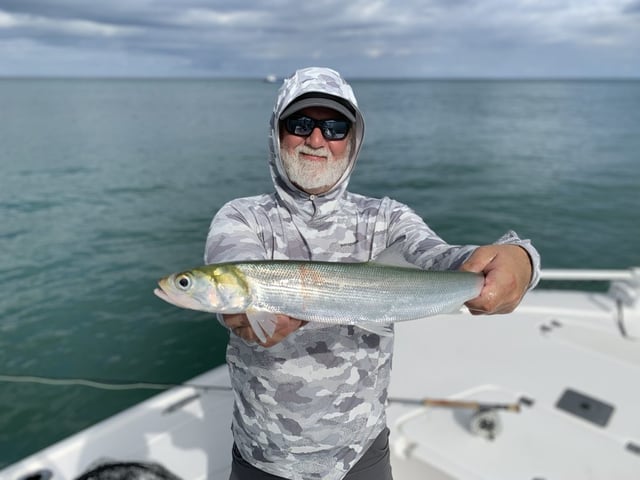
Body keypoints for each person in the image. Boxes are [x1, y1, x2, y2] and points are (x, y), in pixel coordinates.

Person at [204, 67, 540, 480]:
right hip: (264, 459)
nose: (316, 139)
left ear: (353, 140)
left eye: (334, 127)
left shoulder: (385, 219)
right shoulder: (242, 217)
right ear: (277, 133)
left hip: (362, 455)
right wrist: (242, 316)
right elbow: (235, 287)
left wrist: (520, 259)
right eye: (300, 124)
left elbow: (444, 257)